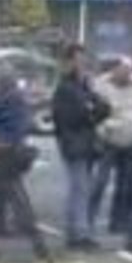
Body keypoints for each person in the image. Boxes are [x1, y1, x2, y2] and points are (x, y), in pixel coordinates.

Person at [0, 69, 47, 258]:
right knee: (10, 193)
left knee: (14, 195)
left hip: (5, 152)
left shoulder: (7, 100)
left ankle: (32, 238)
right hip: (14, 149)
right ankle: (8, 226)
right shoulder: (18, 101)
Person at [52, 43, 110, 251]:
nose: (81, 64)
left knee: (82, 188)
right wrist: (89, 111)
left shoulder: (84, 86)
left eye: (83, 60)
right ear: (68, 62)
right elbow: (70, 116)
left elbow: (104, 108)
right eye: (77, 60)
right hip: (73, 143)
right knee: (79, 188)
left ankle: (78, 230)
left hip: (87, 143)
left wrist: (91, 109)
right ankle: (78, 233)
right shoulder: (65, 88)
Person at [89, 57, 132, 244]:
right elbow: (95, 112)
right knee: (99, 182)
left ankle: (118, 221)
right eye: (123, 70)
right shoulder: (101, 87)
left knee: (125, 184)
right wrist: (102, 129)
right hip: (108, 141)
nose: (127, 75)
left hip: (131, 140)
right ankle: (88, 220)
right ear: (115, 70)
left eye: (129, 71)